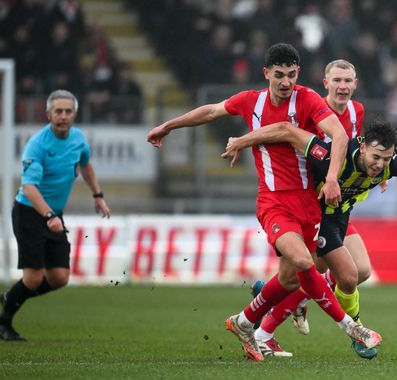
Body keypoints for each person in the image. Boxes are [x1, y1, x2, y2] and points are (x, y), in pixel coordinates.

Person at [146, 43, 381, 361]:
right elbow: (212, 111)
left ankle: (244, 322)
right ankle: (352, 328)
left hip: (310, 201)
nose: (286, 82)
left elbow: (335, 136)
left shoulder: (308, 99)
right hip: (273, 201)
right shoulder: (250, 101)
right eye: (280, 75)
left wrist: (331, 179)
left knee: (288, 278)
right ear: (266, 73)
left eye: (292, 75)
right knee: (304, 264)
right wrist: (169, 125)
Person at [222, 119, 397, 357]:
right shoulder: (332, 154)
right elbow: (287, 131)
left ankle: (266, 316)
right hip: (312, 216)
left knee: (359, 272)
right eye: (376, 157)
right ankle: (352, 331)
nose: (380, 164)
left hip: (339, 218)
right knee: (335, 277)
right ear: (362, 145)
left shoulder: (392, 162)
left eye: (386, 158)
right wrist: (241, 141)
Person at [0, 90, 111, 341]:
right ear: (48, 114)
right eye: (58, 111)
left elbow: (86, 164)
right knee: (34, 277)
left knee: (59, 278)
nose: (63, 116)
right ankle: (2, 324)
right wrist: (48, 216)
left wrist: (98, 195)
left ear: (75, 114)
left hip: (53, 215)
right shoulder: (37, 145)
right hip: (29, 212)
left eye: (68, 112)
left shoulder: (78, 139)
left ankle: (14, 296)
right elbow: (29, 187)